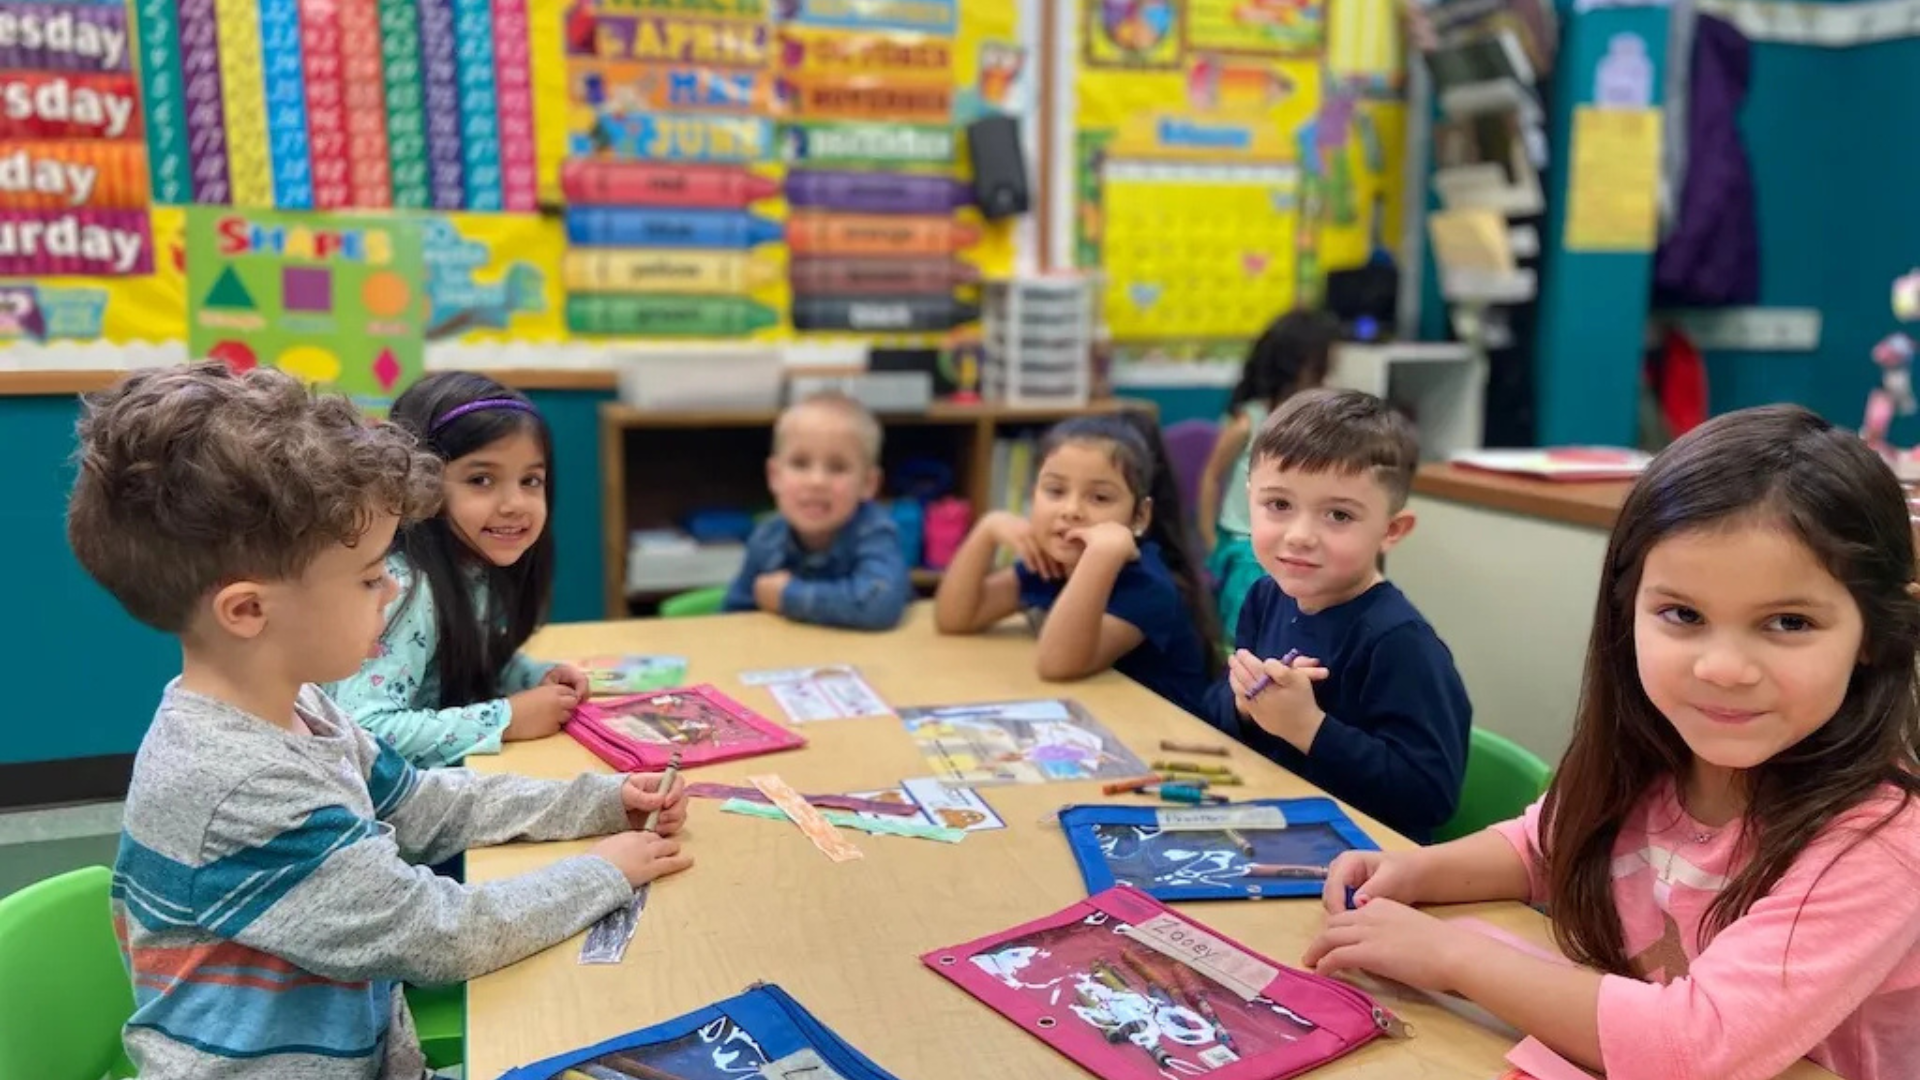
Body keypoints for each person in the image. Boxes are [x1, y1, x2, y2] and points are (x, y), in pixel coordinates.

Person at [68, 363, 693, 1079]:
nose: (394, 586)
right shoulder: (242, 788)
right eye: (369, 576)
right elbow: (439, 935)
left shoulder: (302, 707)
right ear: (248, 612)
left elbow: (421, 804)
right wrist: (602, 871)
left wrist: (598, 802)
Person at [1306, 405, 1920, 1080]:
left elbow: (1695, 1047)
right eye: (1683, 615)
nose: (1722, 668)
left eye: (1788, 622)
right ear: (1627, 612)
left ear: (1877, 633)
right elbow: (1544, 844)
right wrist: (1420, 870)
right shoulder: (1652, 755)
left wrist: (1451, 957)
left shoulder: (1882, 843)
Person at [1203, 388, 1470, 842]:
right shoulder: (1265, 598)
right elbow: (1213, 707)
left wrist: (1307, 726)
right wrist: (1244, 704)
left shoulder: (1399, 642)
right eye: (1279, 505)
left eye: (1339, 515)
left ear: (1391, 530)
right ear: (1249, 500)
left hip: (1364, 860)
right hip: (1276, 826)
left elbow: (1429, 796)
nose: (1300, 535)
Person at [328, 372, 586, 767]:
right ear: (420, 483)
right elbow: (364, 730)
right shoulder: (405, 590)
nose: (515, 503)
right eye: (481, 479)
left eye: (530, 480)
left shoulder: (474, 566)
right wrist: (507, 718)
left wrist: (532, 677)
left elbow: (460, 658)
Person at [935, 412, 1218, 715]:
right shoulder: (1053, 563)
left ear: (1139, 517)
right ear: (1033, 495)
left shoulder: (1147, 584)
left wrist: (1101, 555)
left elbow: (1057, 664)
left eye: (1099, 497)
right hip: (1103, 720)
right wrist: (986, 530)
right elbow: (956, 617)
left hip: (1170, 738)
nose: (1070, 510)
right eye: (1055, 491)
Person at [1197, 309, 1337, 637]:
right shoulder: (1250, 421)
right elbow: (1210, 476)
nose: (1327, 377)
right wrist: (1209, 539)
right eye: (1321, 367)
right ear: (1296, 365)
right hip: (1245, 542)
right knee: (1246, 627)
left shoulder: (1310, 419)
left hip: (1288, 542)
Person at [723, 391, 912, 630]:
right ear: (775, 476)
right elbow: (732, 617)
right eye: (800, 464)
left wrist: (787, 596)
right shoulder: (766, 538)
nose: (817, 481)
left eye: (837, 467)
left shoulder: (875, 532)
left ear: (868, 484)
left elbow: (878, 605)